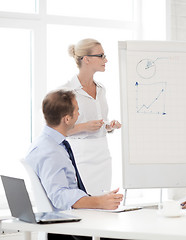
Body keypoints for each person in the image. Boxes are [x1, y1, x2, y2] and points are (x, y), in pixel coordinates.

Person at [25, 90, 123, 240]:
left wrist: (99, 199)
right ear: (67, 119)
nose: (79, 114)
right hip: (69, 229)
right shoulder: (50, 151)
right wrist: (98, 202)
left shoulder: (47, 143)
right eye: (77, 110)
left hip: (71, 222)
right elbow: (59, 195)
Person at [62, 38, 121, 196]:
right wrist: (84, 126)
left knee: (101, 204)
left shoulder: (101, 89)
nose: (106, 60)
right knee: (84, 204)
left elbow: (101, 121)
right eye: (101, 56)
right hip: (80, 156)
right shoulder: (67, 91)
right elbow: (58, 130)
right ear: (86, 59)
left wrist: (109, 126)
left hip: (103, 155)